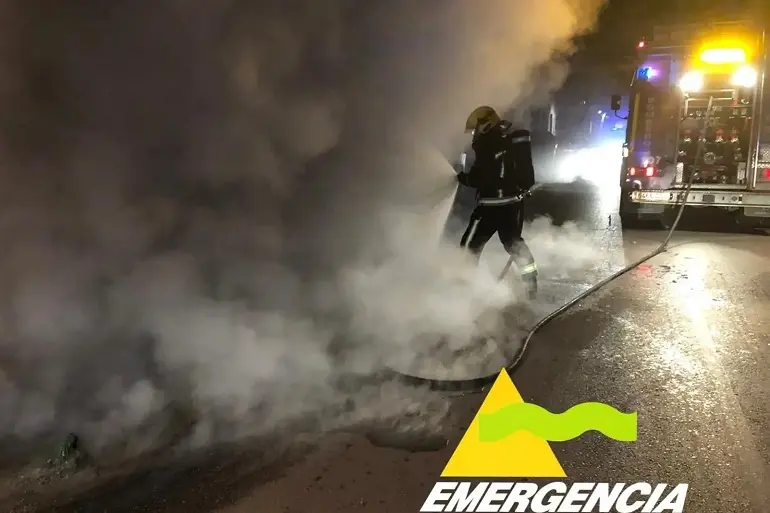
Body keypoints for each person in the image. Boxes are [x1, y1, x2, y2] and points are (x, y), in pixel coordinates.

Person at [456, 105, 538, 298]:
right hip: (513, 205)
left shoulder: (488, 144)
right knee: (514, 244)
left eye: (476, 129)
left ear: (485, 126)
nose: (474, 134)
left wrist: (462, 178)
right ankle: (531, 285)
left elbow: (478, 178)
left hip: (490, 207)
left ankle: (461, 286)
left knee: (469, 245)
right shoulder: (507, 141)